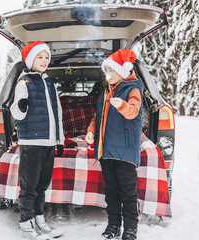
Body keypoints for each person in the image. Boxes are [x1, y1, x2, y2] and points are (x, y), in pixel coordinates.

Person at [85, 49, 143, 240]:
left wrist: (122, 106)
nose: (107, 75)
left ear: (123, 71)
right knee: (111, 192)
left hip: (125, 152)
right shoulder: (106, 91)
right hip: (106, 151)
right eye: (106, 71)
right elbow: (98, 117)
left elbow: (133, 111)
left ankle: (130, 229)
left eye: (111, 71)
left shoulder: (133, 89)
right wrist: (92, 131)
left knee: (128, 192)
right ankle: (113, 226)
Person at [10, 41, 65, 240]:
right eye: (40, 57)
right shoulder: (24, 83)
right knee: (29, 186)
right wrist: (22, 106)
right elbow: (16, 112)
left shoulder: (49, 83)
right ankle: (26, 222)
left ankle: (39, 218)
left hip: (49, 142)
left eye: (46, 57)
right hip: (32, 143)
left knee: (42, 185)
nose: (44, 61)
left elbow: (57, 112)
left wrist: (60, 140)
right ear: (31, 59)